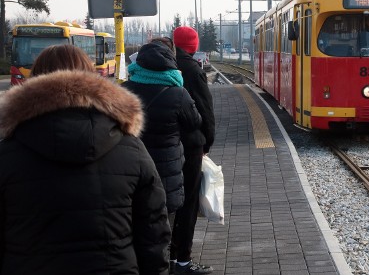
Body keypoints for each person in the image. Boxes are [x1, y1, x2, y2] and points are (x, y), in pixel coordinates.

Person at [0, 44, 171, 274]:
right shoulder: (131, 149)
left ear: (34, 81)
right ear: (90, 79)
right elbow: (153, 232)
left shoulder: (7, 154)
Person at [122, 41, 203, 225]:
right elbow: (194, 122)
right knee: (163, 227)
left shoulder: (123, 91)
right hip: (168, 171)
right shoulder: (178, 93)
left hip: (133, 170)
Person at [171, 26, 217, 275]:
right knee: (187, 203)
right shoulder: (192, 70)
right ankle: (183, 261)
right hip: (189, 146)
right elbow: (206, 113)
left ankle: (167, 257)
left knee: (166, 203)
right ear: (192, 44)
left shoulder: (164, 66)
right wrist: (206, 144)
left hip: (163, 146)